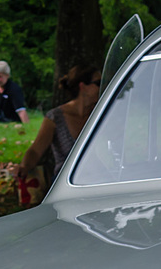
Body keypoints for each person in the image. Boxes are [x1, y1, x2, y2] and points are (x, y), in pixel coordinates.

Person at [15, 65, 101, 196]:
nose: (104, 87)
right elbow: (36, 150)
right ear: (83, 86)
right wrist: (24, 167)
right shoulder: (55, 117)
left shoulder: (101, 114)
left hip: (98, 180)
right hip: (66, 185)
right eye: (98, 83)